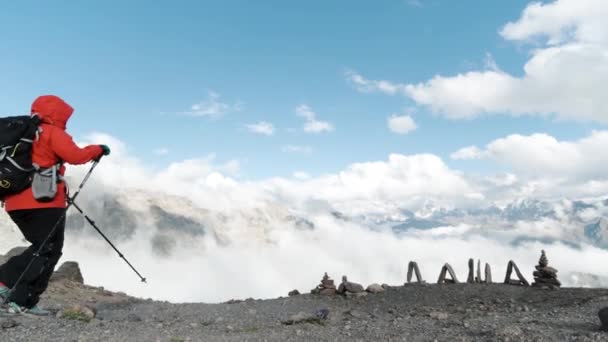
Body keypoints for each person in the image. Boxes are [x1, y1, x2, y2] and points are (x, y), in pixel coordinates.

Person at [0, 95, 110, 315]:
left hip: (13, 202)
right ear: (57, 113)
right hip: (44, 202)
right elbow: (75, 156)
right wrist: (98, 149)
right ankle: (22, 301)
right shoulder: (51, 132)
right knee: (49, 250)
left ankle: (7, 285)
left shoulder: (20, 134)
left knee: (40, 247)